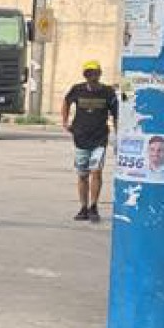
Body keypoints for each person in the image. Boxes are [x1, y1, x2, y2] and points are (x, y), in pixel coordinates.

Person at [62, 60, 118, 222]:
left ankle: (94, 206)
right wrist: (65, 122)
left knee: (96, 171)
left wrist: (118, 132)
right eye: (88, 73)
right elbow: (66, 102)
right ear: (84, 75)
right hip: (80, 138)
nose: (91, 76)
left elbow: (116, 112)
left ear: (99, 74)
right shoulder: (77, 89)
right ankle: (83, 207)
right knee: (82, 174)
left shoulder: (108, 92)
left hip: (99, 138)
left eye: (94, 73)